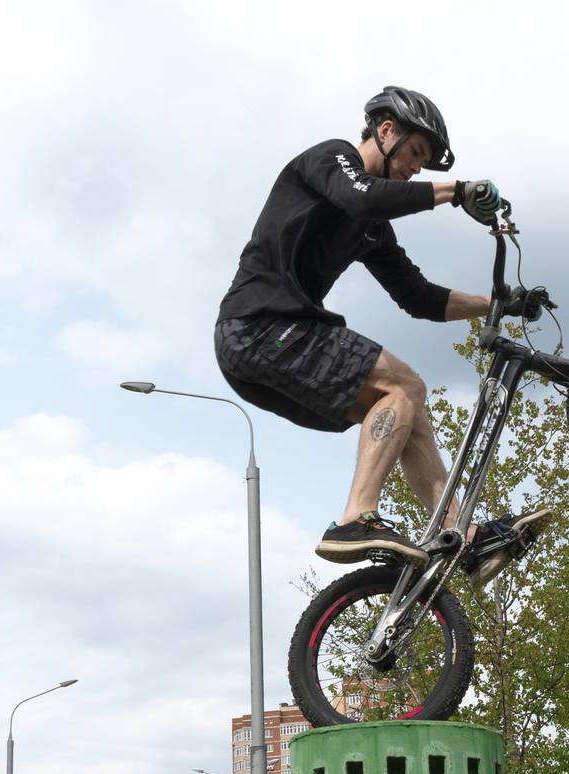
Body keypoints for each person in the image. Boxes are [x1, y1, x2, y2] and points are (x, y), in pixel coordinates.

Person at [215, 85, 552, 588]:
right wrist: (456, 191)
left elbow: (418, 297)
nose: (416, 169)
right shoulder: (330, 160)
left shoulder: (371, 228)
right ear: (386, 130)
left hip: (263, 348)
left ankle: (463, 534)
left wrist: (499, 304)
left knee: (406, 409)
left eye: (424, 163)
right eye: (415, 153)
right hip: (261, 325)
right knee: (406, 384)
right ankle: (356, 518)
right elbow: (363, 195)